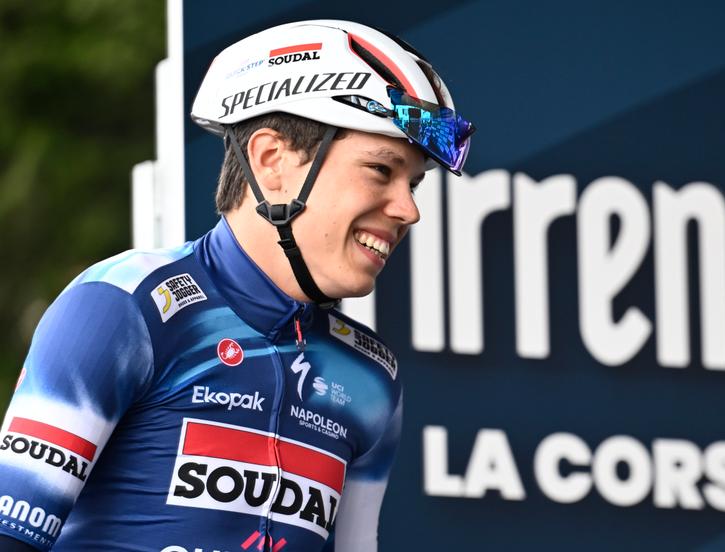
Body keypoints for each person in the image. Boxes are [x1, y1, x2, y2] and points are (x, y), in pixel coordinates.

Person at [0, 19, 473, 552]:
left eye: (413, 184)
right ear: (271, 162)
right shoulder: (126, 307)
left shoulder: (370, 376)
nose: (408, 209)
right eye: (381, 171)